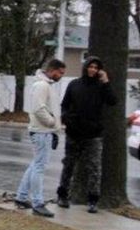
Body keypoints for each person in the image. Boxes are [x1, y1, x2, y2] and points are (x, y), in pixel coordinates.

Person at [57, 57, 117, 213]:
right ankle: (62, 195)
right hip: (74, 132)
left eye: (96, 67)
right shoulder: (74, 85)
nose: (93, 70)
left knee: (94, 168)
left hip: (93, 134)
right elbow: (64, 104)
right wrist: (67, 119)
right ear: (85, 68)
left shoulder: (101, 87)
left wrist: (106, 82)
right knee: (69, 165)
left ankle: (93, 199)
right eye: (90, 66)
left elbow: (112, 101)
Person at [14, 59, 67, 217]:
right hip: (42, 131)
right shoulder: (42, 86)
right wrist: (52, 123)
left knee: (36, 164)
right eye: (61, 73)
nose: (61, 76)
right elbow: (39, 109)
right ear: (53, 70)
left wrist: (53, 128)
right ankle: (37, 203)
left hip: (43, 131)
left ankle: (22, 197)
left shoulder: (44, 85)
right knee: (39, 167)